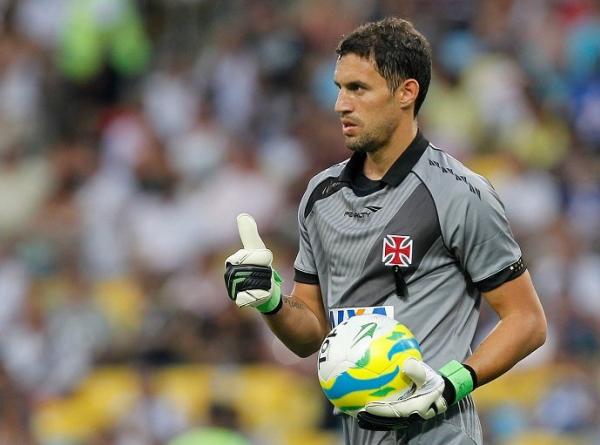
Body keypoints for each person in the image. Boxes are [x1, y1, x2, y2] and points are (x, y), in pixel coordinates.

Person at [224, 17, 547, 445]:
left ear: (406, 93)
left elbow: (527, 320)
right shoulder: (321, 196)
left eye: (358, 89)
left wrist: (451, 385)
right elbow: (310, 335)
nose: (340, 104)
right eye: (339, 88)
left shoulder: (458, 193)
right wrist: (270, 301)